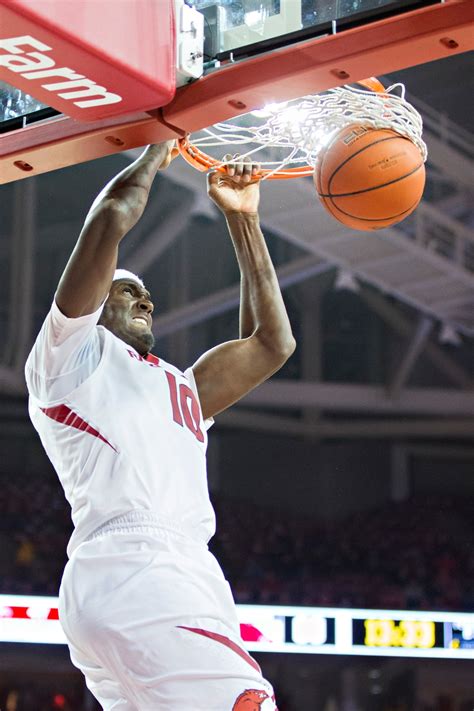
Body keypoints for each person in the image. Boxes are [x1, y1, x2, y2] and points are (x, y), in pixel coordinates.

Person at [25, 142, 295, 710]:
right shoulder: (71, 355)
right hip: (141, 570)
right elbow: (110, 217)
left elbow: (273, 343)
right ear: (97, 301)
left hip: (162, 575)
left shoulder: (182, 387)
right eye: (127, 290)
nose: (145, 298)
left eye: (147, 293)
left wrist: (242, 218)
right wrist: (157, 147)